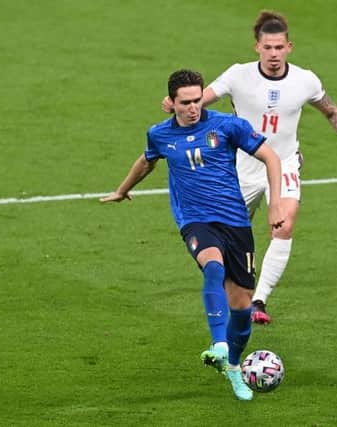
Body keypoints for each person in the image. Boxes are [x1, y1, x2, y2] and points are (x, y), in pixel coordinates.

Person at [162, 10, 337, 325]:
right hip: (242, 167)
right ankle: (236, 293)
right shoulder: (238, 75)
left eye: (279, 47)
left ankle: (260, 300)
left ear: (289, 47)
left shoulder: (305, 80)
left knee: (284, 225)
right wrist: (178, 102)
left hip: (283, 162)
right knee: (225, 234)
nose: (274, 54)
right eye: (268, 47)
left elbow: (331, 111)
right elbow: (202, 100)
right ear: (257, 47)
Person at [101, 69, 284, 401]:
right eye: (185, 102)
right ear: (171, 103)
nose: (193, 107)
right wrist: (122, 190)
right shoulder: (159, 134)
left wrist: (275, 206)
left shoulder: (227, 126)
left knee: (242, 310)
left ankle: (232, 366)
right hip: (195, 222)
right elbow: (147, 161)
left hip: (235, 223)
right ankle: (218, 345)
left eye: (197, 100)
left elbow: (271, 157)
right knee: (212, 267)